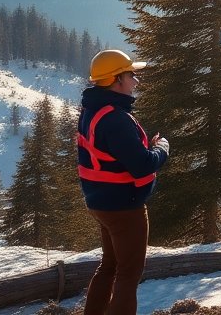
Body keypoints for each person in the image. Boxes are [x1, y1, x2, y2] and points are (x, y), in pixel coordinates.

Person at [78, 49, 169, 315]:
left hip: (101, 202)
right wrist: (162, 148)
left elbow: (115, 154)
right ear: (117, 79)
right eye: (132, 75)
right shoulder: (116, 119)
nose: (136, 81)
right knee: (129, 275)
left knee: (109, 266)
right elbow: (142, 165)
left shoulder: (93, 110)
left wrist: (143, 149)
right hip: (124, 207)